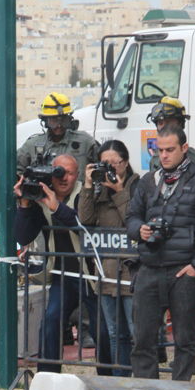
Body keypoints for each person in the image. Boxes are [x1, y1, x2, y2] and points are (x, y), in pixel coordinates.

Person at [126, 126, 195, 381]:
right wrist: (139, 230)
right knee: (142, 339)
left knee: (185, 341)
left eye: (170, 150)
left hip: (184, 270)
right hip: (149, 266)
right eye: (160, 150)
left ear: (184, 148)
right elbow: (131, 217)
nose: (164, 155)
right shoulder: (148, 180)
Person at [13, 154, 112, 375]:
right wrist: (25, 204)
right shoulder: (42, 195)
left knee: (102, 329)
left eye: (69, 173)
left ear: (77, 175)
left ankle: (107, 377)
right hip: (63, 274)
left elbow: (82, 225)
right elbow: (23, 235)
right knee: (51, 322)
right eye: (58, 172)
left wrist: (56, 207)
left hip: (92, 274)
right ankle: (48, 376)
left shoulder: (85, 193)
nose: (63, 178)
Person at [78, 140, 140, 377]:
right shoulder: (98, 188)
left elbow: (134, 221)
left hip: (132, 271)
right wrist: (87, 185)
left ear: (125, 162)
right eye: (106, 163)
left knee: (136, 332)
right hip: (106, 271)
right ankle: (119, 380)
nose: (111, 168)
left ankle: (141, 380)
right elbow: (85, 220)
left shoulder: (138, 185)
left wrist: (120, 191)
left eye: (115, 162)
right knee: (115, 333)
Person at [17, 92, 98, 179]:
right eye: (54, 121)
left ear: (69, 120)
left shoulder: (85, 142)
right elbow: (16, 171)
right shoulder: (32, 145)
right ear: (45, 121)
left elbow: (102, 164)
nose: (59, 125)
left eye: (63, 120)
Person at [147, 96, 195, 172]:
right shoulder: (155, 160)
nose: (164, 127)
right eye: (160, 123)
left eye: (168, 122)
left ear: (180, 124)